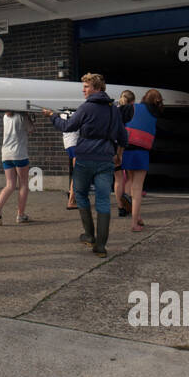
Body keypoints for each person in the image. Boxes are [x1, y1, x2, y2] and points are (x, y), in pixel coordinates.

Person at [42, 74, 127, 258]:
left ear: (96, 88)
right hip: (106, 159)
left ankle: (89, 234)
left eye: (86, 86)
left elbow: (67, 126)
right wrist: (118, 155)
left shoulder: (86, 107)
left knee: (80, 194)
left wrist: (53, 116)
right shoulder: (114, 109)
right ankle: (101, 246)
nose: (83, 90)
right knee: (104, 200)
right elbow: (123, 137)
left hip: (85, 158)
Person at [122, 89, 163, 232]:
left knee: (131, 183)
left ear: (145, 97)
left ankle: (137, 216)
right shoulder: (156, 114)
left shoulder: (132, 108)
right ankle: (134, 223)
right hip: (142, 152)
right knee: (137, 188)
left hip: (127, 150)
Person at [0, 110, 34, 225]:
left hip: (6, 154)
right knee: (24, 184)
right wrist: (28, 116)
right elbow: (31, 130)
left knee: (10, 185)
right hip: (19, 154)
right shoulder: (22, 116)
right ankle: (20, 215)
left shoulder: (5, 116)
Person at [114, 90, 136, 217]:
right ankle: (126, 203)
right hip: (121, 147)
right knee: (127, 177)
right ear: (132, 101)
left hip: (109, 146)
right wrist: (120, 153)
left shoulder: (113, 108)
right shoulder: (129, 110)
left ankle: (120, 206)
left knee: (116, 177)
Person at [62, 126, 79, 210]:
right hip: (75, 141)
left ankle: (71, 194)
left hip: (68, 142)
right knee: (78, 173)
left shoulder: (63, 113)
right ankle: (71, 201)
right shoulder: (75, 112)